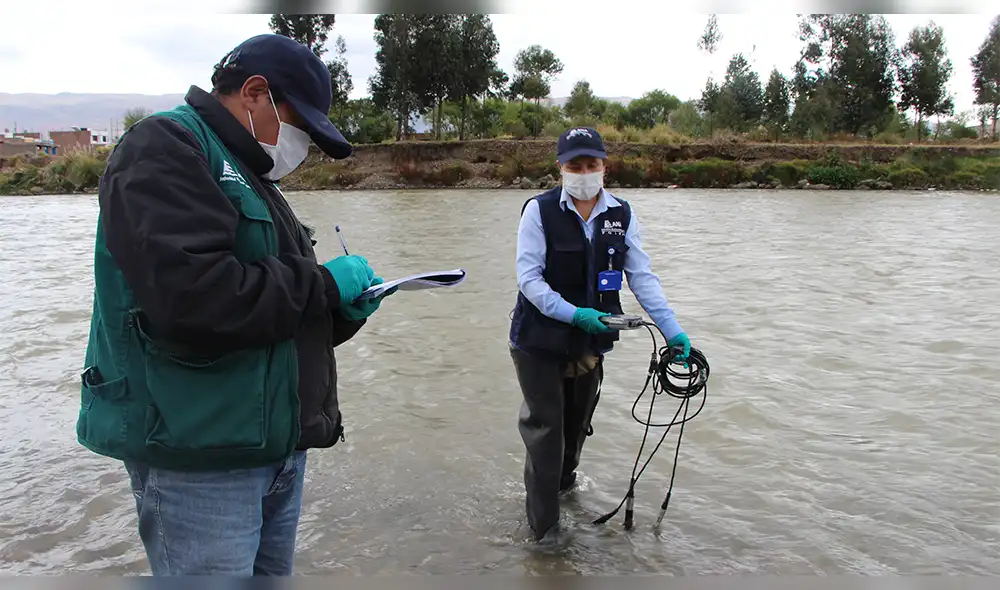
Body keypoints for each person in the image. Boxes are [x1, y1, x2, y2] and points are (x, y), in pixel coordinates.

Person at [75, 34, 395, 575]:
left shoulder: (254, 174)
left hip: (275, 449)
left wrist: (340, 310)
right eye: (299, 125)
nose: (302, 146)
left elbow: (271, 312)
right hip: (201, 459)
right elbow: (194, 301)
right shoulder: (165, 147)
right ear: (253, 93)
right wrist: (322, 285)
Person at [508, 126, 693, 541]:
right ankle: (546, 538)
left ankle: (562, 492)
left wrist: (673, 331)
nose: (584, 173)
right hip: (538, 343)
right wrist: (575, 315)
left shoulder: (621, 215)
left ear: (604, 166)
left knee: (574, 431)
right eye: (575, 166)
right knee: (546, 434)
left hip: (589, 345)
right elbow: (529, 280)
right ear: (560, 168)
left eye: (591, 164)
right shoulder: (539, 211)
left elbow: (641, 277)